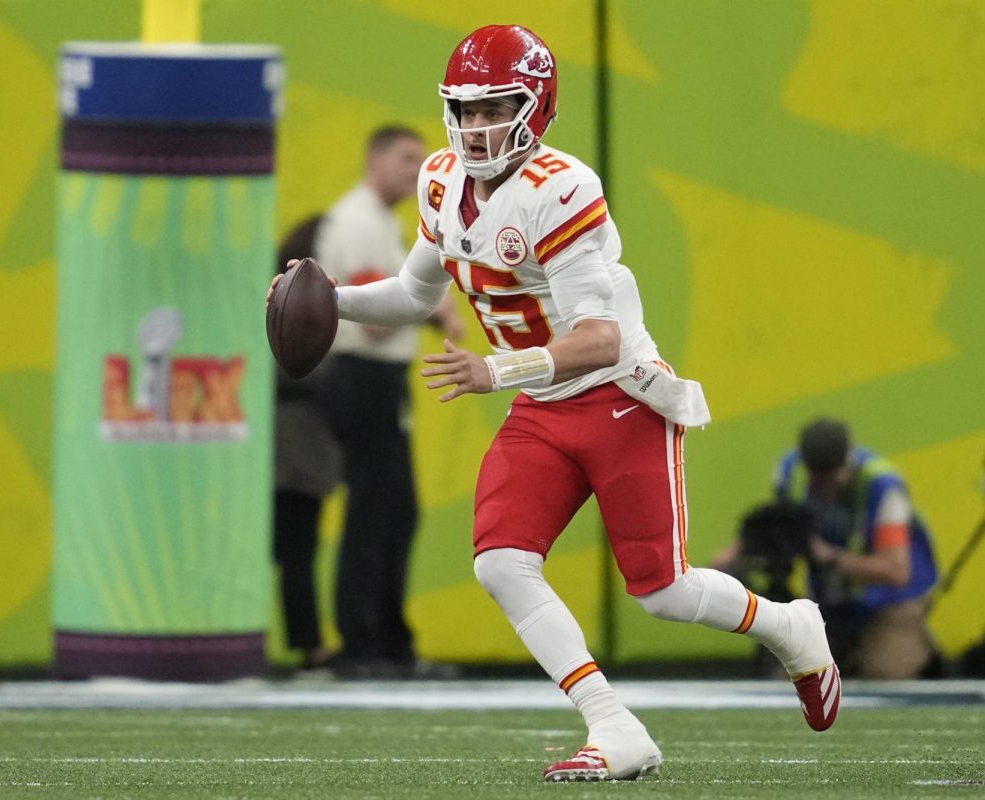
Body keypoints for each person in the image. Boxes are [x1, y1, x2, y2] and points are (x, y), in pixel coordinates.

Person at [272, 25, 840, 781]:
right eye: (466, 110)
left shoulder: (562, 189)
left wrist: (494, 372)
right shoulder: (441, 181)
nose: (477, 127)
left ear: (535, 108)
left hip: (617, 398)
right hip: (543, 404)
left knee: (663, 592)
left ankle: (792, 627)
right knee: (502, 562)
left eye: (495, 108)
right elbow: (415, 291)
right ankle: (613, 725)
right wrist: (329, 302)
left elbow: (600, 340)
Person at [315, 126, 464, 678]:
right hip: (362, 377)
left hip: (378, 379)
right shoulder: (357, 221)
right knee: (375, 513)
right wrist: (434, 310)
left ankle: (388, 642)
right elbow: (372, 322)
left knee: (394, 513)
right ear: (373, 159)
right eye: (405, 158)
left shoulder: (382, 222)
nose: (416, 169)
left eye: (420, 159)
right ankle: (363, 645)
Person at [772, 418, 939, 678]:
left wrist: (830, 558)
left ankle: (911, 638)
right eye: (815, 476)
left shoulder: (883, 487)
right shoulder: (791, 473)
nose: (820, 484)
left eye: (828, 476)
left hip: (894, 599)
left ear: (846, 463)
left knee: (884, 671)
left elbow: (896, 572)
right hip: (830, 600)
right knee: (795, 675)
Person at [272, 214, 340, 671]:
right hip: (295, 448)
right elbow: (299, 372)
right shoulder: (292, 311)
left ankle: (308, 641)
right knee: (296, 549)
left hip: (298, 447)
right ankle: (309, 644)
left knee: (295, 548)